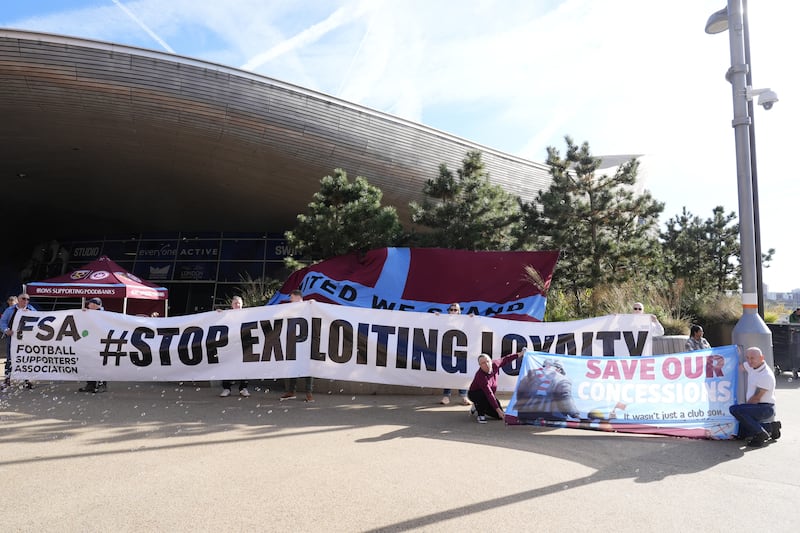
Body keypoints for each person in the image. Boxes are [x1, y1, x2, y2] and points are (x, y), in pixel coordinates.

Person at [729, 346, 781, 447]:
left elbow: (756, 398)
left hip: (765, 408)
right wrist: (733, 355)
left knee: (735, 410)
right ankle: (771, 427)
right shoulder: (752, 366)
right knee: (741, 432)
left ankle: (760, 434)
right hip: (757, 406)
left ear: (762, 358)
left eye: (752, 358)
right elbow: (739, 367)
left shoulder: (766, 375)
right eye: (747, 358)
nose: (749, 361)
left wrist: (743, 408)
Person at [512, 358, 581, 423]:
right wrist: (575, 415)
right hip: (551, 417)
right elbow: (565, 399)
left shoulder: (529, 375)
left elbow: (520, 395)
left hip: (525, 415)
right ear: (559, 369)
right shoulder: (562, 379)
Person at [467, 349, 525, 423]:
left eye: (487, 361)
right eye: (483, 363)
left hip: (488, 394)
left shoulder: (495, 364)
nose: (486, 364)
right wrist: (498, 411)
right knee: (483, 397)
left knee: (499, 416)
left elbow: (506, 359)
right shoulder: (480, 376)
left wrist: (519, 354)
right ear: (480, 366)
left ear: (491, 361)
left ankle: (476, 405)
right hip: (475, 394)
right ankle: (480, 415)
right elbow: (489, 394)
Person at [281, 289, 314, 402]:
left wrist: (313, 304)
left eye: (291, 298)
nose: (290, 300)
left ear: (297, 297)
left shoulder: (309, 305)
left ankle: (308, 392)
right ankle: (291, 391)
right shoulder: (290, 309)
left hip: (306, 341)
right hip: (293, 342)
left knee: (307, 368)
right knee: (292, 366)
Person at [1, 293, 36, 391]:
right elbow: (3, 322)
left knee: (26, 358)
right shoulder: (10, 310)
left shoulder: (31, 309)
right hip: (12, 338)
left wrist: (30, 313)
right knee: (10, 359)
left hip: (26, 339)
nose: (26, 301)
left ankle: (26, 380)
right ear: (18, 300)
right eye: (23, 299)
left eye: (28, 299)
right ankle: (7, 380)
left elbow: (39, 319)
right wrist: (6, 330)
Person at [219, 296, 250, 397]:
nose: (237, 305)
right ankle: (226, 388)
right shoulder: (227, 315)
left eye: (239, 303)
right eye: (235, 303)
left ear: (242, 304)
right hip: (230, 345)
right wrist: (218, 314)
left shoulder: (249, 314)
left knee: (244, 367)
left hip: (243, 344)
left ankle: (243, 388)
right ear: (231, 305)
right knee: (227, 366)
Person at [440, 303, 470, 406]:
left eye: (455, 310)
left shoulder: (464, 322)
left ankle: (464, 396)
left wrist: (472, 319)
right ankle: (446, 396)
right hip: (447, 350)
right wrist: (434, 318)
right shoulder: (442, 321)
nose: (453, 311)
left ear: (459, 312)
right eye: (451, 309)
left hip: (461, 351)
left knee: (462, 373)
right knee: (447, 373)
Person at [79, 297, 108, 393]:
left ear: (95, 305)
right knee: (90, 364)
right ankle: (91, 384)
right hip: (91, 343)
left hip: (100, 343)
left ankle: (101, 384)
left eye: (90, 304)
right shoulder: (91, 313)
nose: (88, 306)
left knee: (99, 364)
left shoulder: (103, 314)